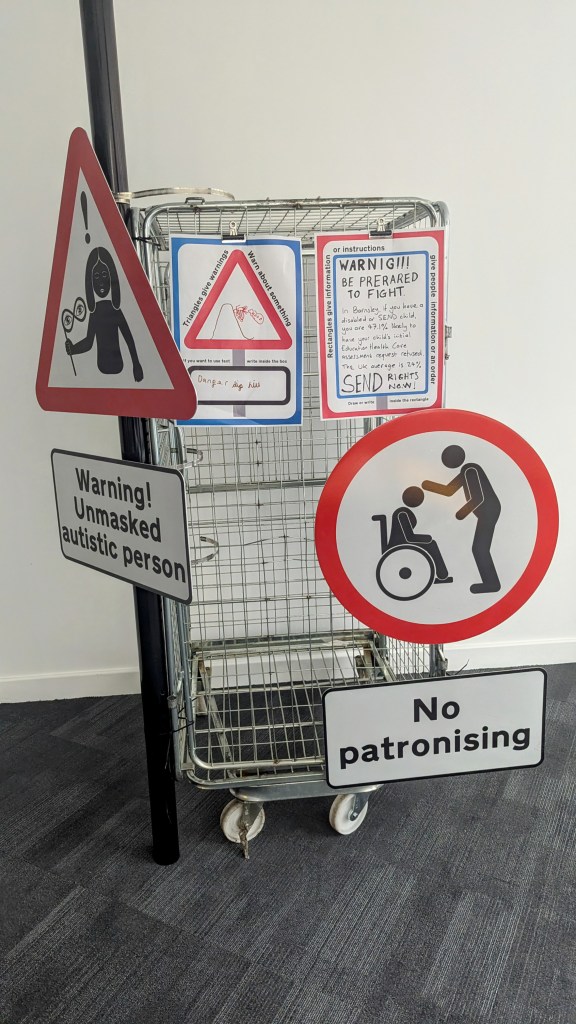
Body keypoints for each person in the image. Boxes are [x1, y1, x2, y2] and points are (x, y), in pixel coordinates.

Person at [422, 445, 501, 593]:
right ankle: (491, 582)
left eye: (447, 459)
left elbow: (479, 498)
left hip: (489, 511)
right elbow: (449, 490)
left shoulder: (470, 469)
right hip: (486, 512)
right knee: (479, 548)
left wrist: (462, 513)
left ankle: (492, 584)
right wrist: (428, 485)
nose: (446, 462)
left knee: (479, 548)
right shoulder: (465, 471)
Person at [65, 247, 143, 381]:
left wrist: (136, 365)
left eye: (104, 275)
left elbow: (129, 339)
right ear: (90, 282)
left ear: (112, 277)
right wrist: (72, 349)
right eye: (96, 276)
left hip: (118, 367)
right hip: (101, 368)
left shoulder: (115, 310)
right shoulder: (95, 312)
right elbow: (89, 342)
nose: (101, 281)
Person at [374, 486, 452, 583]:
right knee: (432, 545)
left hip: (403, 542)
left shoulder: (405, 512)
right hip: (400, 543)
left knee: (431, 543)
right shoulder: (402, 513)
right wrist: (427, 538)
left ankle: (442, 575)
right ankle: (442, 575)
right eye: (416, 497)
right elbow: (409, 537)